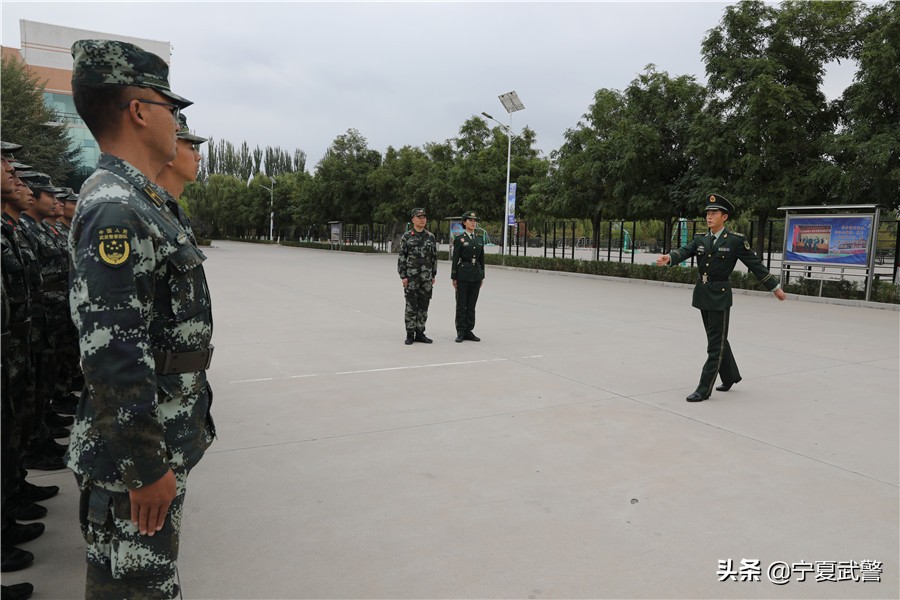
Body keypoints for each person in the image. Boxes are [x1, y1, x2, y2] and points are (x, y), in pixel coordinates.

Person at [66, 39, 215, 599]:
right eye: (171, 108)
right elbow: (111, 352)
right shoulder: (116, 207)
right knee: (138, 590)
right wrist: (145, 466)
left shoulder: (139, 200)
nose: (176, 121)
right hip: (135, 460)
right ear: (138, 110)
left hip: (149, 446)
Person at [656, 194, 786, 402]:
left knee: (715, 345)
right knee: (717, 339)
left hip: (720, 296)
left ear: (724, 217)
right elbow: (685, 251)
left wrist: (775, 287)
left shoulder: (735, 241)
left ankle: (703, 389)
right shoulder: (701, 238)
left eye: (714, 213)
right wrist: (670, 258)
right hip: (702, 294)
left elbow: (755, 264)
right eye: (708, 213)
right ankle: (731, 376)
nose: (709, 216)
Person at [397, 208, 437, 344]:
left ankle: (420, 333)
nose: (422, 219)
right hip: (411, 276)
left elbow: (434, 258)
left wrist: (433, 275)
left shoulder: (430, 237)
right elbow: (402, 257)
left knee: (424, 305)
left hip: (426, 277)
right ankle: (410, 334)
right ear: (413, 219)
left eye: (424, 217)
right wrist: (403, 276)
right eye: (419, 217)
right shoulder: (407, 237)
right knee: (411, 305)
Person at [450, 211, 485, 343]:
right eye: (470, 220)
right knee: (461, 304)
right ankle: (460, 331)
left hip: (476, 275)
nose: (473, 222)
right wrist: (454, 277)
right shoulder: (460, 239)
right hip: (463, 274)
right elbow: (455, 259)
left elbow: (482, 259)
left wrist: (482, 275)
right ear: (464, 222)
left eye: (474, 220)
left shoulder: (479, 238)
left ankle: (469, 330)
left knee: (471, 305)